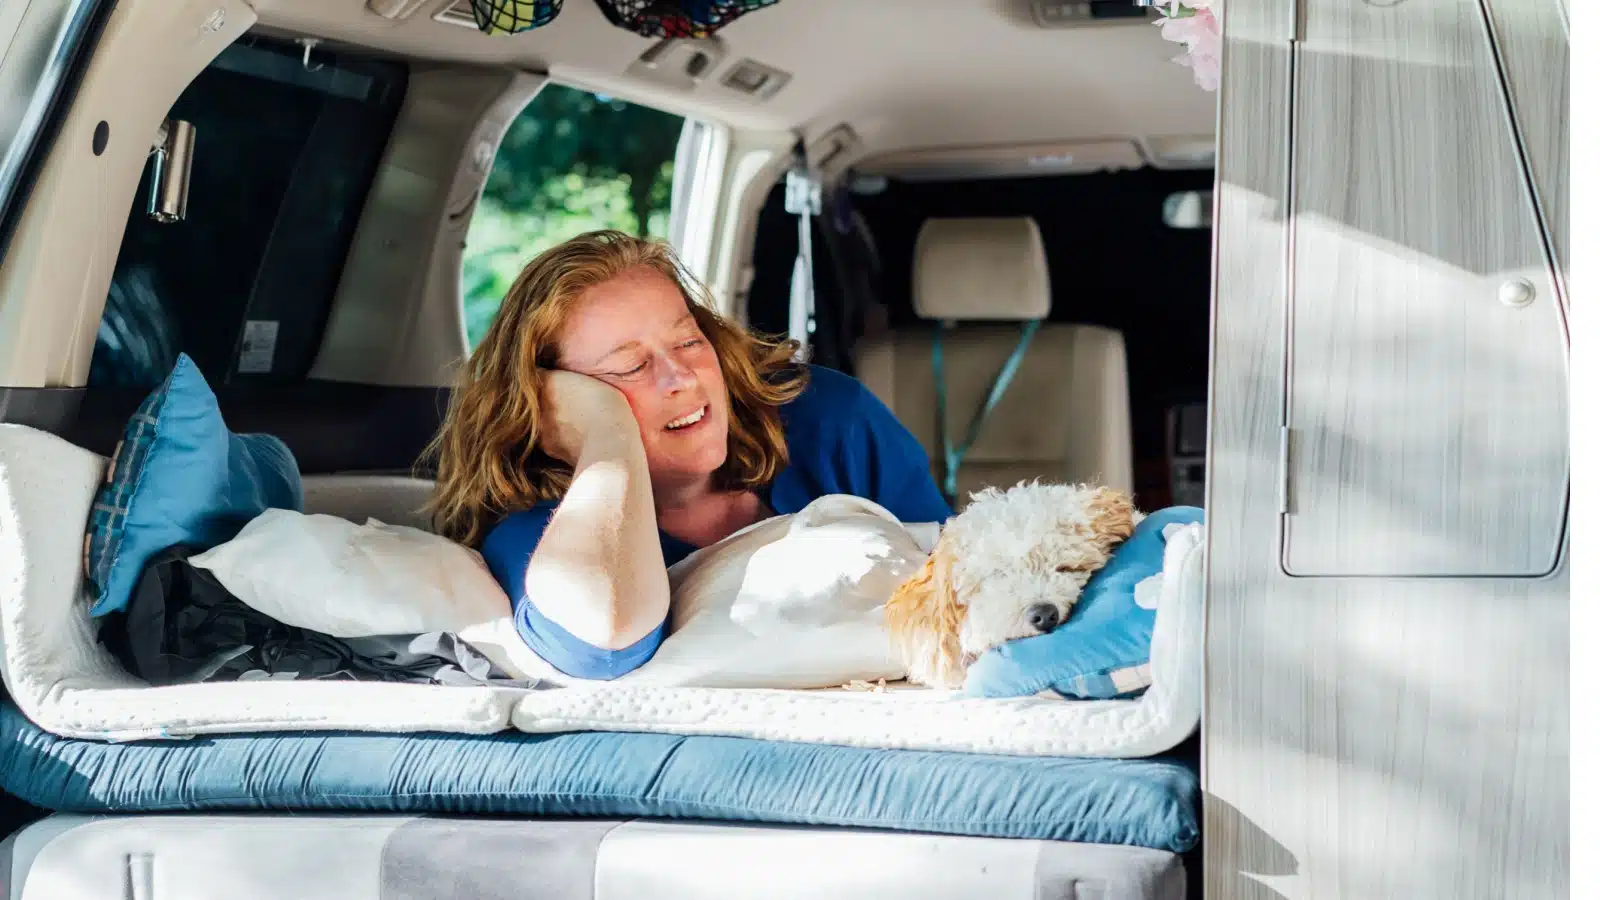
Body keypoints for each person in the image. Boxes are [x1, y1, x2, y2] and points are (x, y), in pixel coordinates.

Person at [425, 230, 950, 680]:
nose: (682, 378)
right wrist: (608, 440)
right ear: (551, 410)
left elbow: (961, 577)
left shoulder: (829, 419)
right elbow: (603, 647)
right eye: (630, 368)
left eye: (688, 342)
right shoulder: (540, 529)